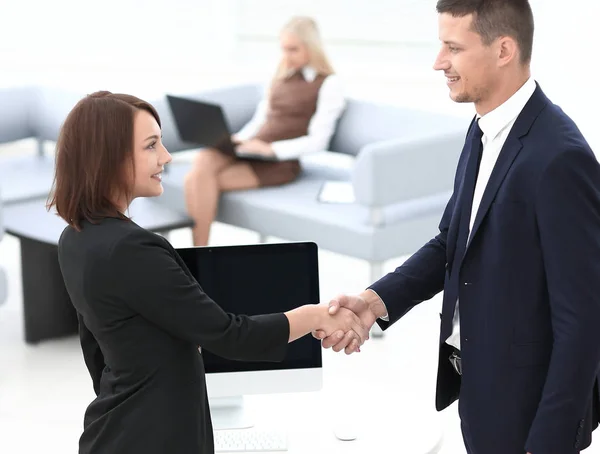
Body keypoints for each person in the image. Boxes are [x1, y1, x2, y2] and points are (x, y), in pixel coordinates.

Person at [314, 1, 600, 453]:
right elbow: (453, 241)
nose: (438, 62)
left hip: (529, 415)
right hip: (477, 388)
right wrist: (374, 302)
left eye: (453, 47)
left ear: (503, 49)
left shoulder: (560, 159)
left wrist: (550, 442)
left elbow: (583, 321)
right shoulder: (482, 129)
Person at [47, 91, 366, 454]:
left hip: (115, 430)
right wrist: (314, 315)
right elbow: (230, 336)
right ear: (111, 159)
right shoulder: (132, 249)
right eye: (151, 146)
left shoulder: (74, 238)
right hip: (155, 437)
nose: (166, 157)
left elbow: (96, 354)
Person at [184, 16, 345, 246]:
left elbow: (318, 141)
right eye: (284, 49)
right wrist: (238, 140)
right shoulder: (281, 75)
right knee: (204, 158)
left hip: (279, 162)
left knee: (196, 179)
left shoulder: (329, 84)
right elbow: (261, 119)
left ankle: (196, 259)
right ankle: (198, 260)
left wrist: (270, 150)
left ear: (312, 48)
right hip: (251, 149)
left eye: (293, 50)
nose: (286, 56)